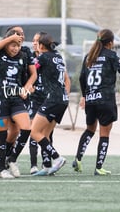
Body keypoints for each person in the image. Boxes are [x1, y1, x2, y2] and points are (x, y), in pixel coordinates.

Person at [72, 29, 120, 176]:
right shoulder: (111, 56)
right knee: (104, 134)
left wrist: (85, 96)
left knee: (89, 130)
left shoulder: (88, 57)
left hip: (91, 99)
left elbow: (81, 79)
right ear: (111, 43)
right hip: (105, 100)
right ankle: (98, 167)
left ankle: (78, 158)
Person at [0, 30, 33, 178]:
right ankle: (1, 168)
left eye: (17, 44)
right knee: (2, 134)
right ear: (5, 43)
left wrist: (26, 89)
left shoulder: (22, 57)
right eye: (12, 44)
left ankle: (12, 159)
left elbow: (27, 77)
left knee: (26, 128)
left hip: (15, 99)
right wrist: (7, 40)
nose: (15, 48)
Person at [30, 33, 69, 176]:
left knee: (34, 132)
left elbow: (31, 70)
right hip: (63, 99)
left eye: (37, 43)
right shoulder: (58, 57)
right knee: (44, 134)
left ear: (41, 46)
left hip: (53, 99)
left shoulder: (43, 57)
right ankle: (47, 166)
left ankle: (57, 158)